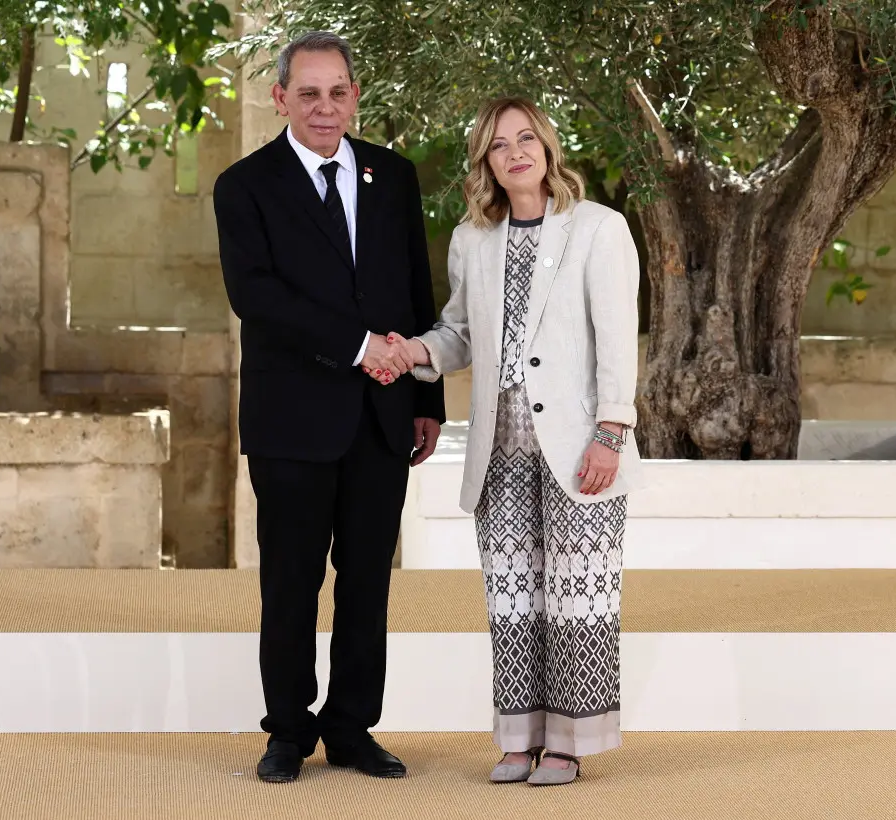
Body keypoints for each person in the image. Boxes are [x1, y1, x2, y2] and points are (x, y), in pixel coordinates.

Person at [375, 96, 642, 786]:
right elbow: (460, 333)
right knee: (513, 599)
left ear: (549, 147)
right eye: (500, 144)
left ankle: (569, 744)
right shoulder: (474, 240)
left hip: (580, 446)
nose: (516, 152)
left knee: (578, 599)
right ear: (486, 163)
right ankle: (518, 740)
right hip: (501, 449)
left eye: (527, 138)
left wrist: (612, 432)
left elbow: (617, 338)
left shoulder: (597, 229)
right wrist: (413, 354)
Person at [213, 31, 445, 784]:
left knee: (368, 581)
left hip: (383, 417)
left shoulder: (394, 175)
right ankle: (287, 731)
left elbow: (417, 290)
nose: (325, 106)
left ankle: (351, 730)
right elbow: (258, 298)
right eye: (308, 93)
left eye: (337, 91)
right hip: (292, 420)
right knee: (290, 581)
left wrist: (427, 398)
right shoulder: (244, 186)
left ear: (354, 96)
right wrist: (358, 345)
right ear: (280, 97)